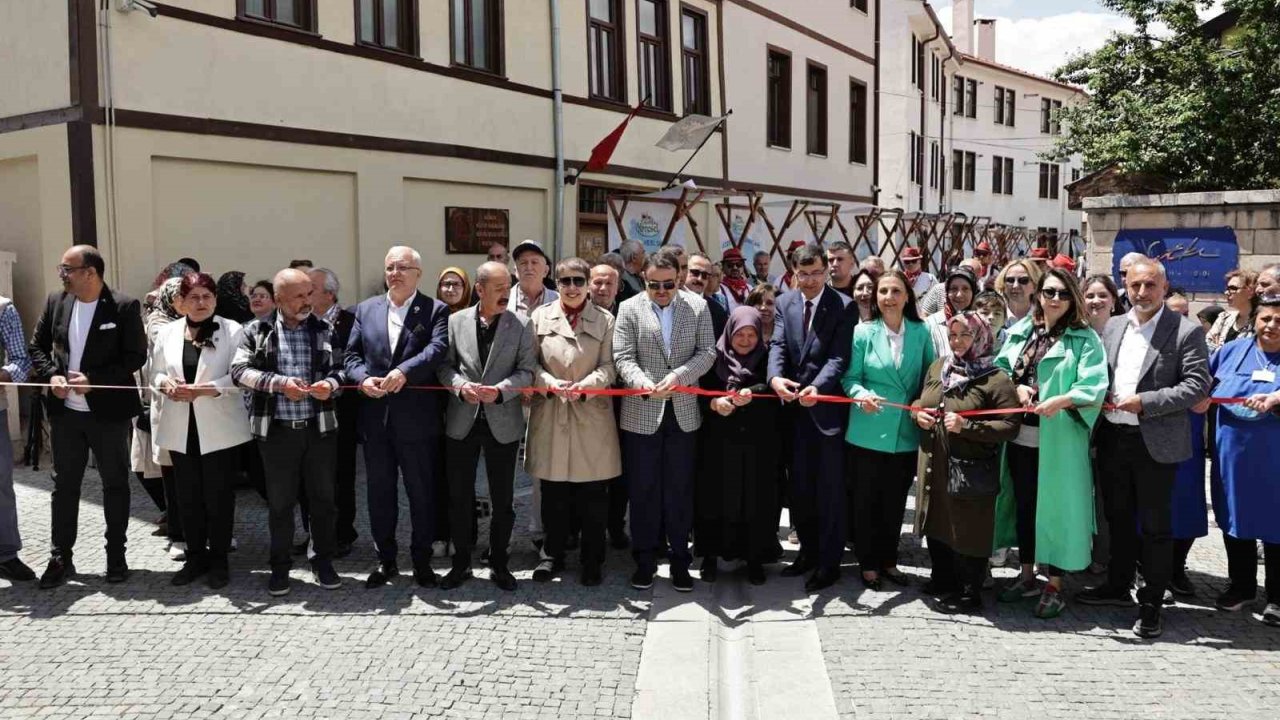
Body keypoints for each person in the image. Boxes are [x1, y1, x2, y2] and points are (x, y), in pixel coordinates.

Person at [1078, 258, 1210, 638]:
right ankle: (1117, 586)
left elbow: (1196, 386)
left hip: (1155, 443)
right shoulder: (1114, 325)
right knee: (1117, 519)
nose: (1141, 292)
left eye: (1150, 285)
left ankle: (1151, 601)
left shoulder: (1185, 331)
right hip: (1113, 438)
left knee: (1155, 527)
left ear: (1164, 287)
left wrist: (1146, 401)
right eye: (1135, 285)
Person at [992, 267, 1109, 619]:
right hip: (1021, 438)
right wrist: (1017, 387)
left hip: (1058, 440)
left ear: (1072, 297)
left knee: (1056, 511)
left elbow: (1094, 384)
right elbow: (1000, 370)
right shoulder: (1021, 332)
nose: (1054, 299)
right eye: (1048, 292)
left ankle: (1054, 583)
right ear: (1038, 295)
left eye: (1061, 293)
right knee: (1026, 506)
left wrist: (1062, 399)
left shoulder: (1084, 338)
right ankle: (1026, 573)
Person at [29, 245, 147, 588]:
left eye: (67, 269)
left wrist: (95, 381)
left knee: (115, 484)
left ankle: (116, 556)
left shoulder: (124, 306)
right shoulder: (56, 301)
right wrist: (52, 374)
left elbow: (134, 356)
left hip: (108, 414)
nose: (62, 275)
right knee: (64, 486)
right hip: (66, 415)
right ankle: (60, 557)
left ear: (90, 273)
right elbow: (37, 346)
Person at [231, 268, 346, 597]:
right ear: (278, 299)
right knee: (280, 505)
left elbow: (341, 368)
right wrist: (279, 384)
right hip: (278, 432)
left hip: (319, 429)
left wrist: (330, 385)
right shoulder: (256, 330)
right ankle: (280, 568)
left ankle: (322, 561)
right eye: (298, 296)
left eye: (310, 293)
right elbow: (239, 371)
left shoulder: (324, 328)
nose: (307, 301)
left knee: (323, 501)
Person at [347, 248, 450, 589]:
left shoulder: (435, 309)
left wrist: (404, 372)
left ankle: (422, 561)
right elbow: (350, 354)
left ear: (418, 273)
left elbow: (436, 350)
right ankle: (385, 559)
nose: (395, 272)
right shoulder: (366, 309)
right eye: (390, 266)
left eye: (403, 267)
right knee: (379, 493)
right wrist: (362, 378)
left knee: (420, 492)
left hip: (417, 421)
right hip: (376, 418)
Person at [613, 251, 716, 592]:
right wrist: (642, 383)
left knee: (679, 492)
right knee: (642, 492)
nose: (661, 291)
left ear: (679, 278)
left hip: (684, 413)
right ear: (643, 280)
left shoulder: (697, 307)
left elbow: (707, 353)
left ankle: (680, 563)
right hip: (642, 412)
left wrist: (679, 376)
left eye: (668, 285)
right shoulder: (629, 308)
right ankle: (644, 562)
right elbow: (623, 356)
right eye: (653, 285)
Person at [438, 261, 536, 591]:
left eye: (508, 288)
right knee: (459, 497)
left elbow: (527, 372)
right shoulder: (455, 321)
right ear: (479, 290)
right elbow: (444, 367)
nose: (505, 294)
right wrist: (459, 386)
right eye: (498, 289)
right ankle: (461, 563)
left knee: (503, 499)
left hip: (502, 422)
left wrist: (501, 390)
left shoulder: (521, 324)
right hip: (461, 422)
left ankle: (499, 564)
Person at [913, 312, 1021, 613]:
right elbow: (920, 401)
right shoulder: (939, 367)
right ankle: (942, 578)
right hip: (935, 460)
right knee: (936, 518)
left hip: (970, 468)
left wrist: (968, 427)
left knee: (968, 527)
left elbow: (1011, 426)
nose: (957, 341)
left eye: (965, 335)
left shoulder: (995, 379)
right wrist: (917, 414)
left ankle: (968, 591)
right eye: (952, 335)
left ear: (981, 337)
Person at [151, 273, 251, 589]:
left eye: (206, 296)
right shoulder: (167, 333)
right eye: (193, 297)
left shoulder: (232, 330)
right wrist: (165, 383)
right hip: (181, 425)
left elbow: (241, 375)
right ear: (181, 302)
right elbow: (154, 372)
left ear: (216, 300)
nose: (201, 303)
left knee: (219, 497)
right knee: (187, 497)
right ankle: (195, 556)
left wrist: (208, 389)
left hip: (219, 427)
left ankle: (219, 559)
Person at [525, 258, 620, 586]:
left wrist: (588, 385)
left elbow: (610, 366)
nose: (572, 287)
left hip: (590, 415)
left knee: (593, 494)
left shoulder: (605, 320)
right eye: (565, 281)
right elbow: (530, 364)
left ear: (588, 283)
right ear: (557, 283)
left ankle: (592, 559)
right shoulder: (539, 317)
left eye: (579, 281)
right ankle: (552, 555)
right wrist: (549, 383)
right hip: (552, 411)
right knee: (553, 493)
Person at [768, 244, 855, 592]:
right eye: (803, 274)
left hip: (825, 411)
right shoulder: (784, 302)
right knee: (800, 488)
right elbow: (777, 345)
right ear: (793, 273)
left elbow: (838, 357)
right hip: (791, 412)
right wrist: (775, 378)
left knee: (829, 491)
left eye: (817, 273)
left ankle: (829, 563)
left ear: (826, 271)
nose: (810, 280)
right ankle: (807, 552)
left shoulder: (843, 306)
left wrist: (817, 388)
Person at [841, 270, 935, 591]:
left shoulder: (922, 333)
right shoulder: (862, 333)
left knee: (895, 503)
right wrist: (861, 395)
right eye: (883, 292)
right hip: (867, 430)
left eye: (896, 291)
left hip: (903, 434)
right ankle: (867, 565)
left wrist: (922, 403)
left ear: (907, 296)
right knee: (866, 501)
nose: (888, 298)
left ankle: (888, 561)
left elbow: (929, 378)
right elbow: (849, 378)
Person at [1199, 295, 1280, 626]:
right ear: (1255, 321)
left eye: (1279, 320)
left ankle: (1277, 596)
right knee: (1234, 518)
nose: (1272, 325)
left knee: (1276, 524)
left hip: (1274, 459)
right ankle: (1242, 587)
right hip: (1232, 456)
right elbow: (1201, 381)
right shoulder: (1232, 350)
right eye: (1266, 319)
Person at [699, 306, 780, 585]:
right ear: (729, 333)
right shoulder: (713, 358)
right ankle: (710, 556)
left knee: (755, 501)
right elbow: (700, 392)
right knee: (715, 499)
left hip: (758, 445)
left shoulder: (768, 358)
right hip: (719, 445)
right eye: (739, 334)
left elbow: (773, 389)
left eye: (751, 334)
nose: (745, 340)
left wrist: (754, 394)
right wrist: (713, 403)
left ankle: (754, 558)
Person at [309, 268, 359, 558]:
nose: (305, 295)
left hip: (342, 410)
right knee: (312, 476)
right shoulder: (302, 321)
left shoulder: (350, 322)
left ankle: (342, 533)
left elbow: (354, 362)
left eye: (311, 289)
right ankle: (315, 533)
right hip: (308, 409)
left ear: (329, 293)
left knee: (340, 474)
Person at [1081, 273, 1121, 572]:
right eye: (1090, 295)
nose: (1096, 301)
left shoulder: (1125, 332)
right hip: (1079, 425)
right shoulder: (1078, 333)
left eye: (1102, 296)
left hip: (1113, 427)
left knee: (1107, 497)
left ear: (1113, 301)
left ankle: (1105, 556)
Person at [589, 261, 630, 548]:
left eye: (609, 283)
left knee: (620, 471)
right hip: (585, 403)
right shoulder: (578, 312)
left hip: (621, 406)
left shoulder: (628, 314)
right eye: (597, 282)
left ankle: (616, 525)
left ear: (618, 287)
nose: (603, 288)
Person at [0, 294, 33, 582]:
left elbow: (21, 360)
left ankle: (6, 555)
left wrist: (3, 373)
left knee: (1, 485)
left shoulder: (3, 308)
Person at [925, 267, 979, 361]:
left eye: (965, 289)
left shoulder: (981, 324)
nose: (959, 295)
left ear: (973, 293)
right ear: (946, 292)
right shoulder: (930, 325)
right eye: (953, 289)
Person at [1206, 269, 1258, 352]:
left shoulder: (1259, 324)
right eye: (1227, 288)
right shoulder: (1224, 317)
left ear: (1250, 292)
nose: (1226, 292)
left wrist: (1218, 349)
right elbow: (1207, 347)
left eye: (1233, 288)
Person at [511, 240, 559, 319]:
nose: (529, 268)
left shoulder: (559, 301)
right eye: (523, 263)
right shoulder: (503, 301)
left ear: (546, 271)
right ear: (515, 270)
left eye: (534, 262)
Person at [686, 253, 729, 338]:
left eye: (705, 275)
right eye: (695, 273)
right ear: (684, 272)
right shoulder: (668, 302)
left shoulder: (718, 311)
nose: (700, 279)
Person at [995, 260, 1043, 330]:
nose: (1015, 286)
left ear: (1035, 286)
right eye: (1010, 280)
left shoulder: (1044, 316)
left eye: (1023, 280)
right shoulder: (992, 315)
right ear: (1003, 285)